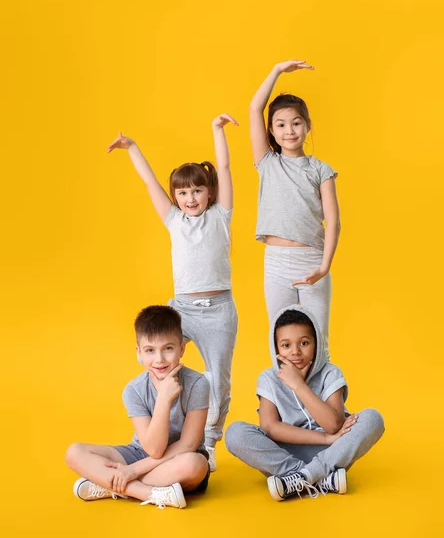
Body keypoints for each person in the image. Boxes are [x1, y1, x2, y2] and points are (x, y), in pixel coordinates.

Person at [107, 115, 238, 471]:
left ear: (209, 192)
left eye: (196, 190)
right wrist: (132, 147)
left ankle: (207, 443)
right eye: (182, 192)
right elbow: (150, 181)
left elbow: (223, 166)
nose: (189, 198)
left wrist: (216, 130)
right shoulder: (173, 220)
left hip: (219, 310)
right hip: (182, 308)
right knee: (162, 363)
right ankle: (154, 431)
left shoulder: (221, 215)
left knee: (219, 377)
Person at [225, 306, 384, 501]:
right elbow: (270, 427)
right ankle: (316, 477)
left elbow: (333, 425)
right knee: (235, 433)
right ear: (275, 348)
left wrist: (298, 385)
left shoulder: (330, 372)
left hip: (333, 452)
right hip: (285, 453)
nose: (295, 352)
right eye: (286, 345)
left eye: (304, 343)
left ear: (316, 344)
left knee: (372, 418)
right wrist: (325, 438)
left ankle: (301, 479)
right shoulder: (268, 378)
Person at [65, 305, 210, 509]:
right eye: (150, 350)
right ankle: (147, 493)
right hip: (140, 453)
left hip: (178, 457)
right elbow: (152, 449)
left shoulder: (198, 384)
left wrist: (131, 471)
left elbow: (187, 445)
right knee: (74, 452)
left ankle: (111, 485)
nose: (159, 359)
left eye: (168, 348)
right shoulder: (133, 390)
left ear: (182, 348)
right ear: (139, 352)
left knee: (195, 465)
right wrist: (163, 399)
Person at [249, 60, 340, 351]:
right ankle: (286, 397)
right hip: (275, 263)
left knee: (317, 339)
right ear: (271, 132)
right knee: (280, 339)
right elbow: (254, 109)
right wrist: (275, 71)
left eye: (296, 122)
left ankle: (320, 397)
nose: (289, 130)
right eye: (281, 124)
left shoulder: (320, 169)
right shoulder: (267, 163)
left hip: (311, 261)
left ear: (307, 125)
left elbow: (334, 222)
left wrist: (324, 267)